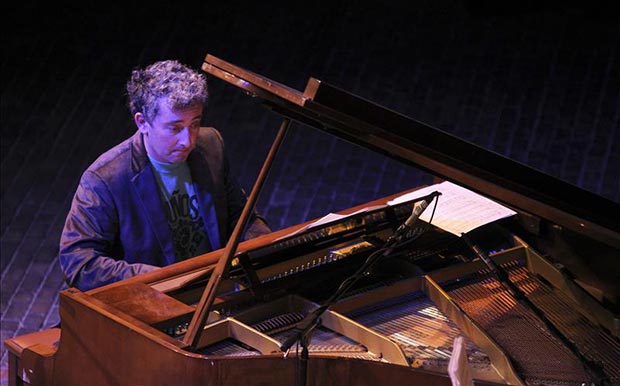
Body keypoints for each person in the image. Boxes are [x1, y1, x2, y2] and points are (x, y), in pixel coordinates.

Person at [59, 60, 270, 292]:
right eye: (175, 128)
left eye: (195, 124)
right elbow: (79, 262)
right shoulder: (104, 179)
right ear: (142, 122)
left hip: (214, 293)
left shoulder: (211, 145)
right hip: (154, 303)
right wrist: (158, 279)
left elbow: (242, 219)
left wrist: (269, 256)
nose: (188, 141)